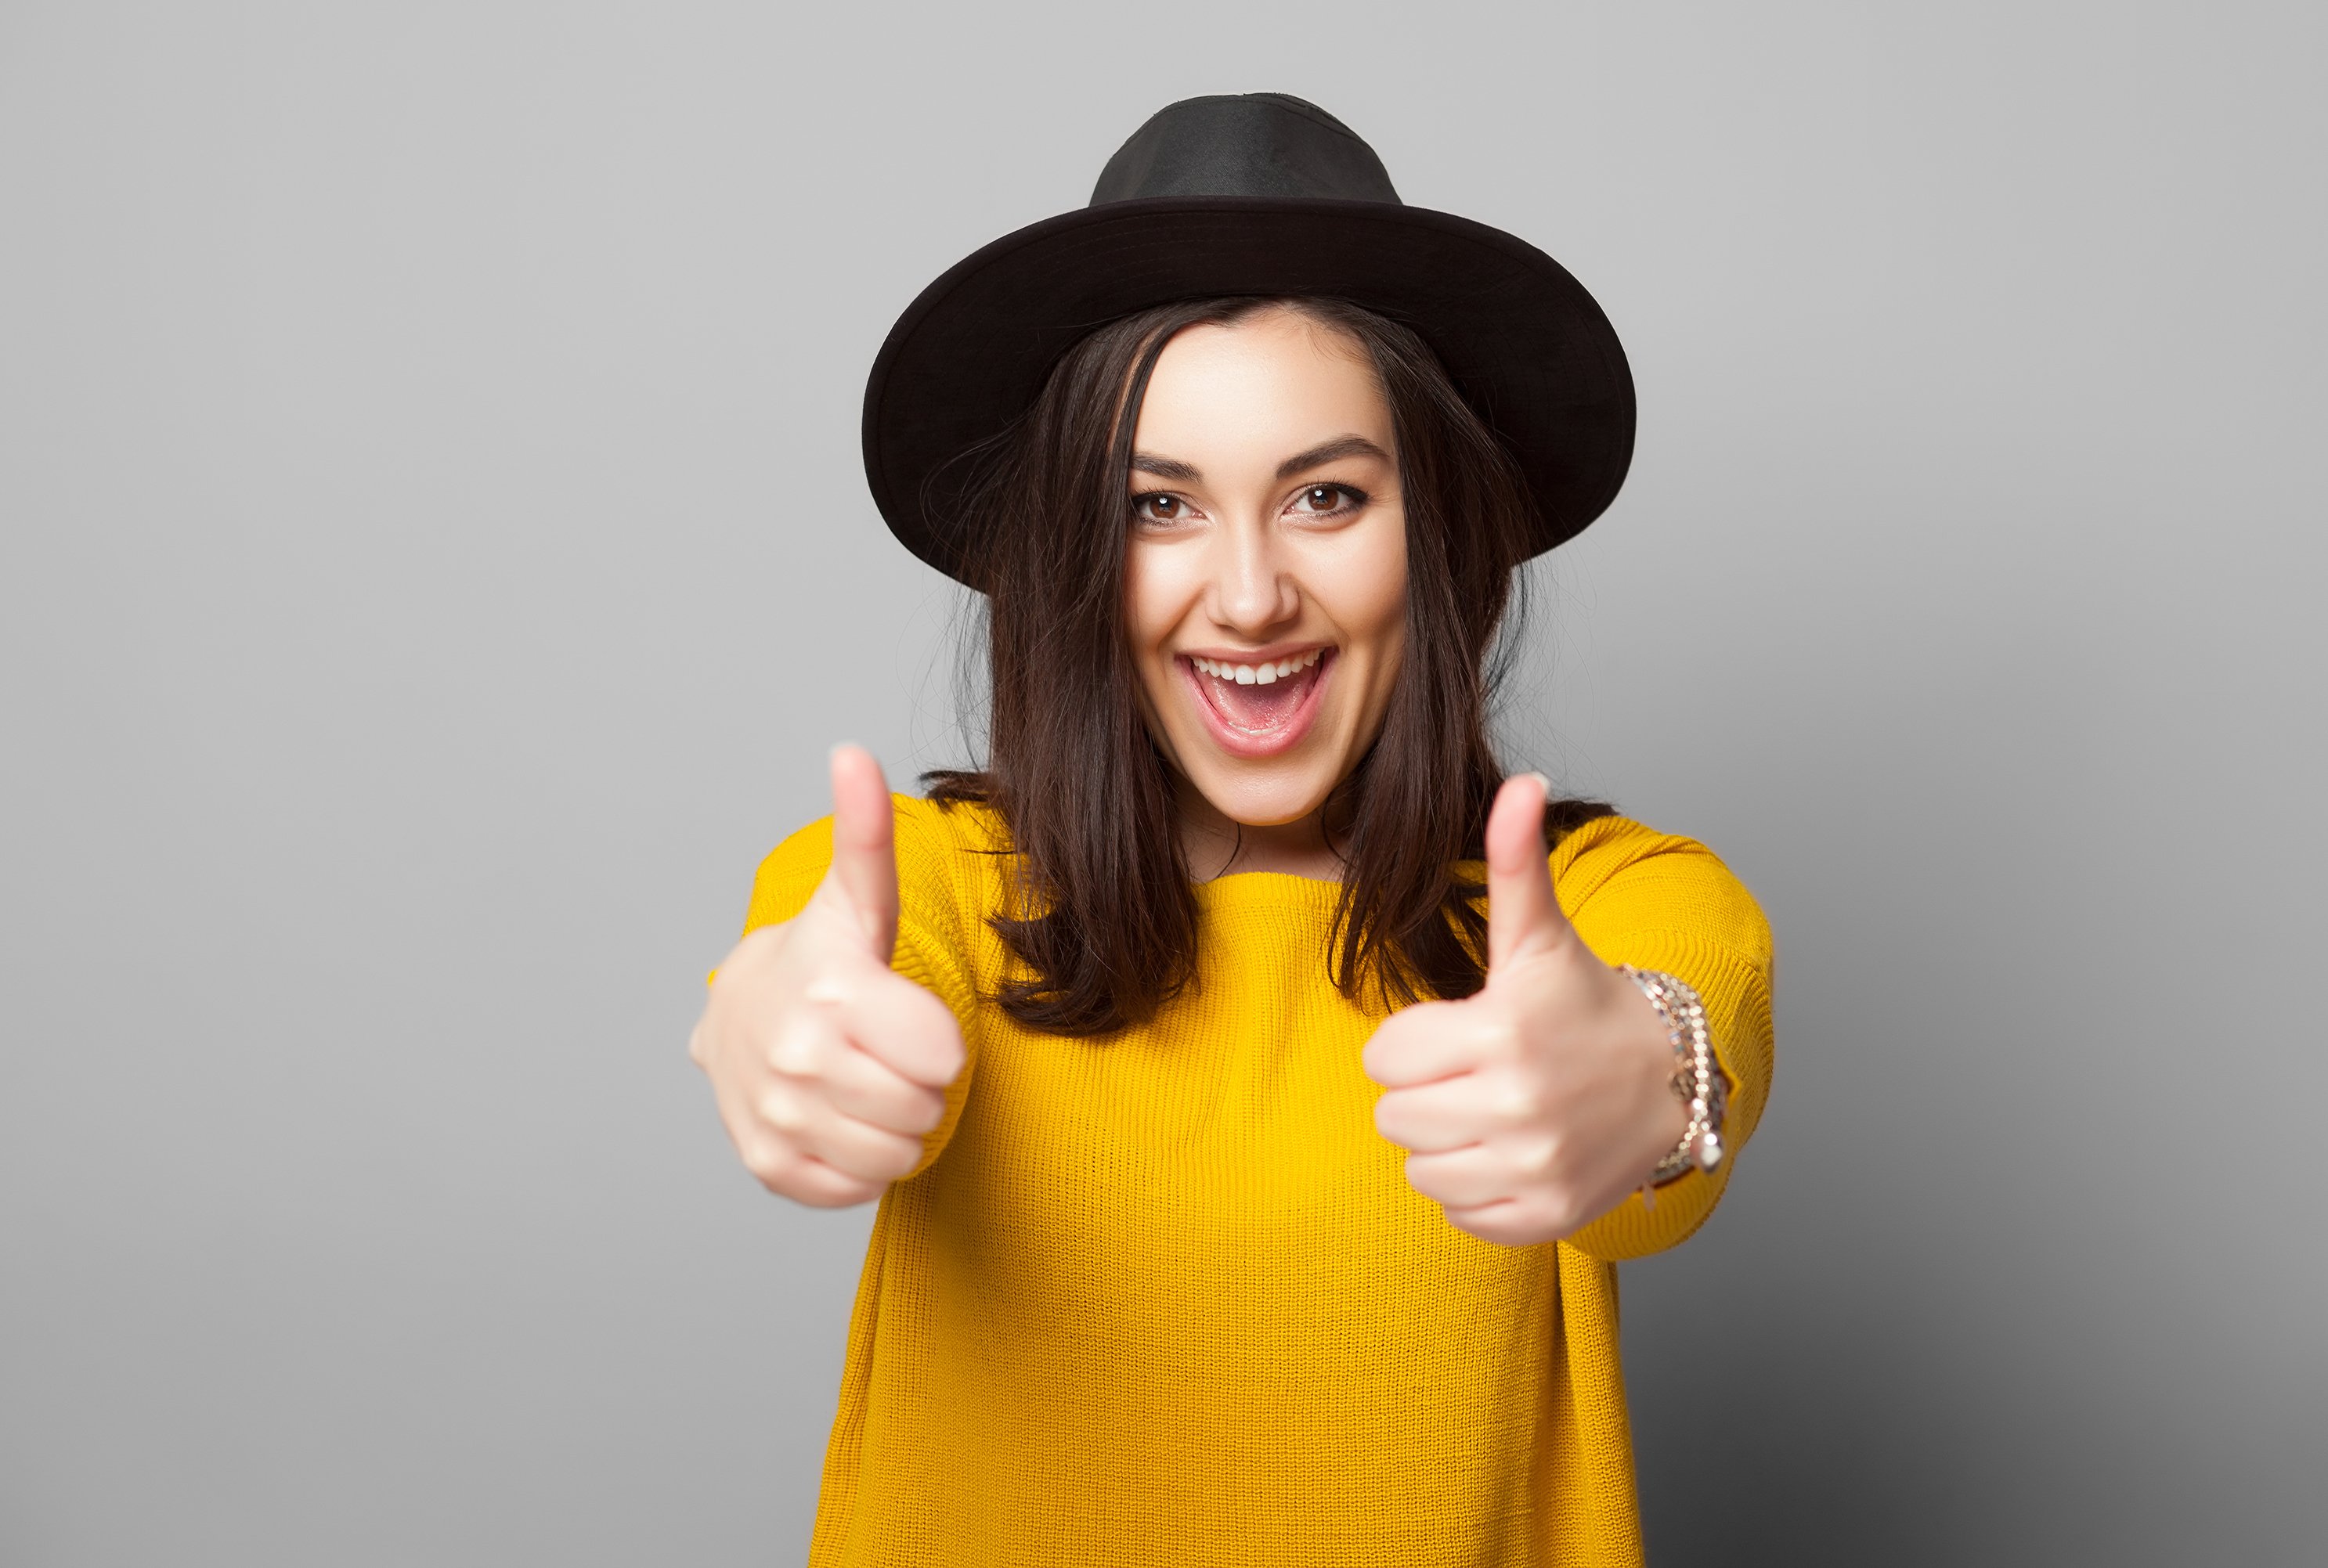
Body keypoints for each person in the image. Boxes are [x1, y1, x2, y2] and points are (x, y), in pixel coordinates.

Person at [690, 94, 1774, 1567]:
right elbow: (814, 958)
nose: (1250, 595)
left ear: (1436, 537)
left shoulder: (1606, 902)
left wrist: (1644, 1086)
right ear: (1071, 556)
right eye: (1159, 507)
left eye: (1327, 495)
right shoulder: (928, 887)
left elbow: (1677, 1034)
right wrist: (784, 1024)